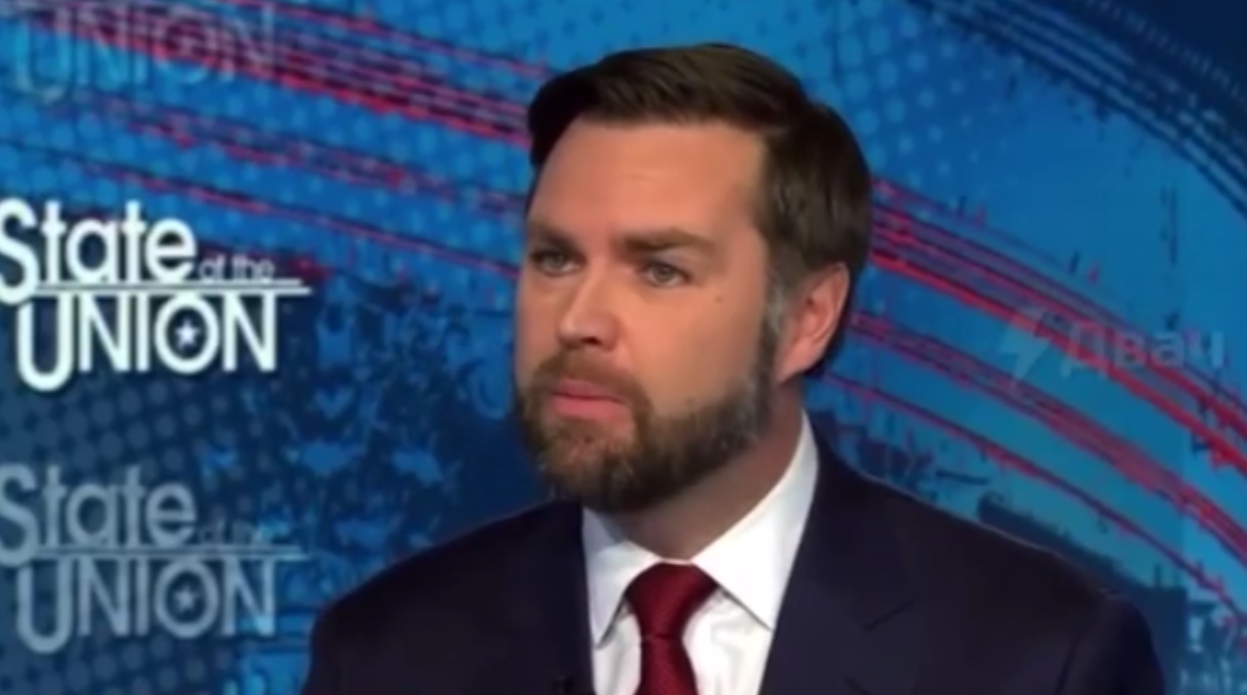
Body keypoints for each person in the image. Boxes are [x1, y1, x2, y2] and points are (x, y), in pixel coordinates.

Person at [299, 43, 1165, 695]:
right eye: (554, 258)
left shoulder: (1041, 657)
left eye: (658, 270)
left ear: (806, 318)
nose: (577, 320)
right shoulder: (385, 652)